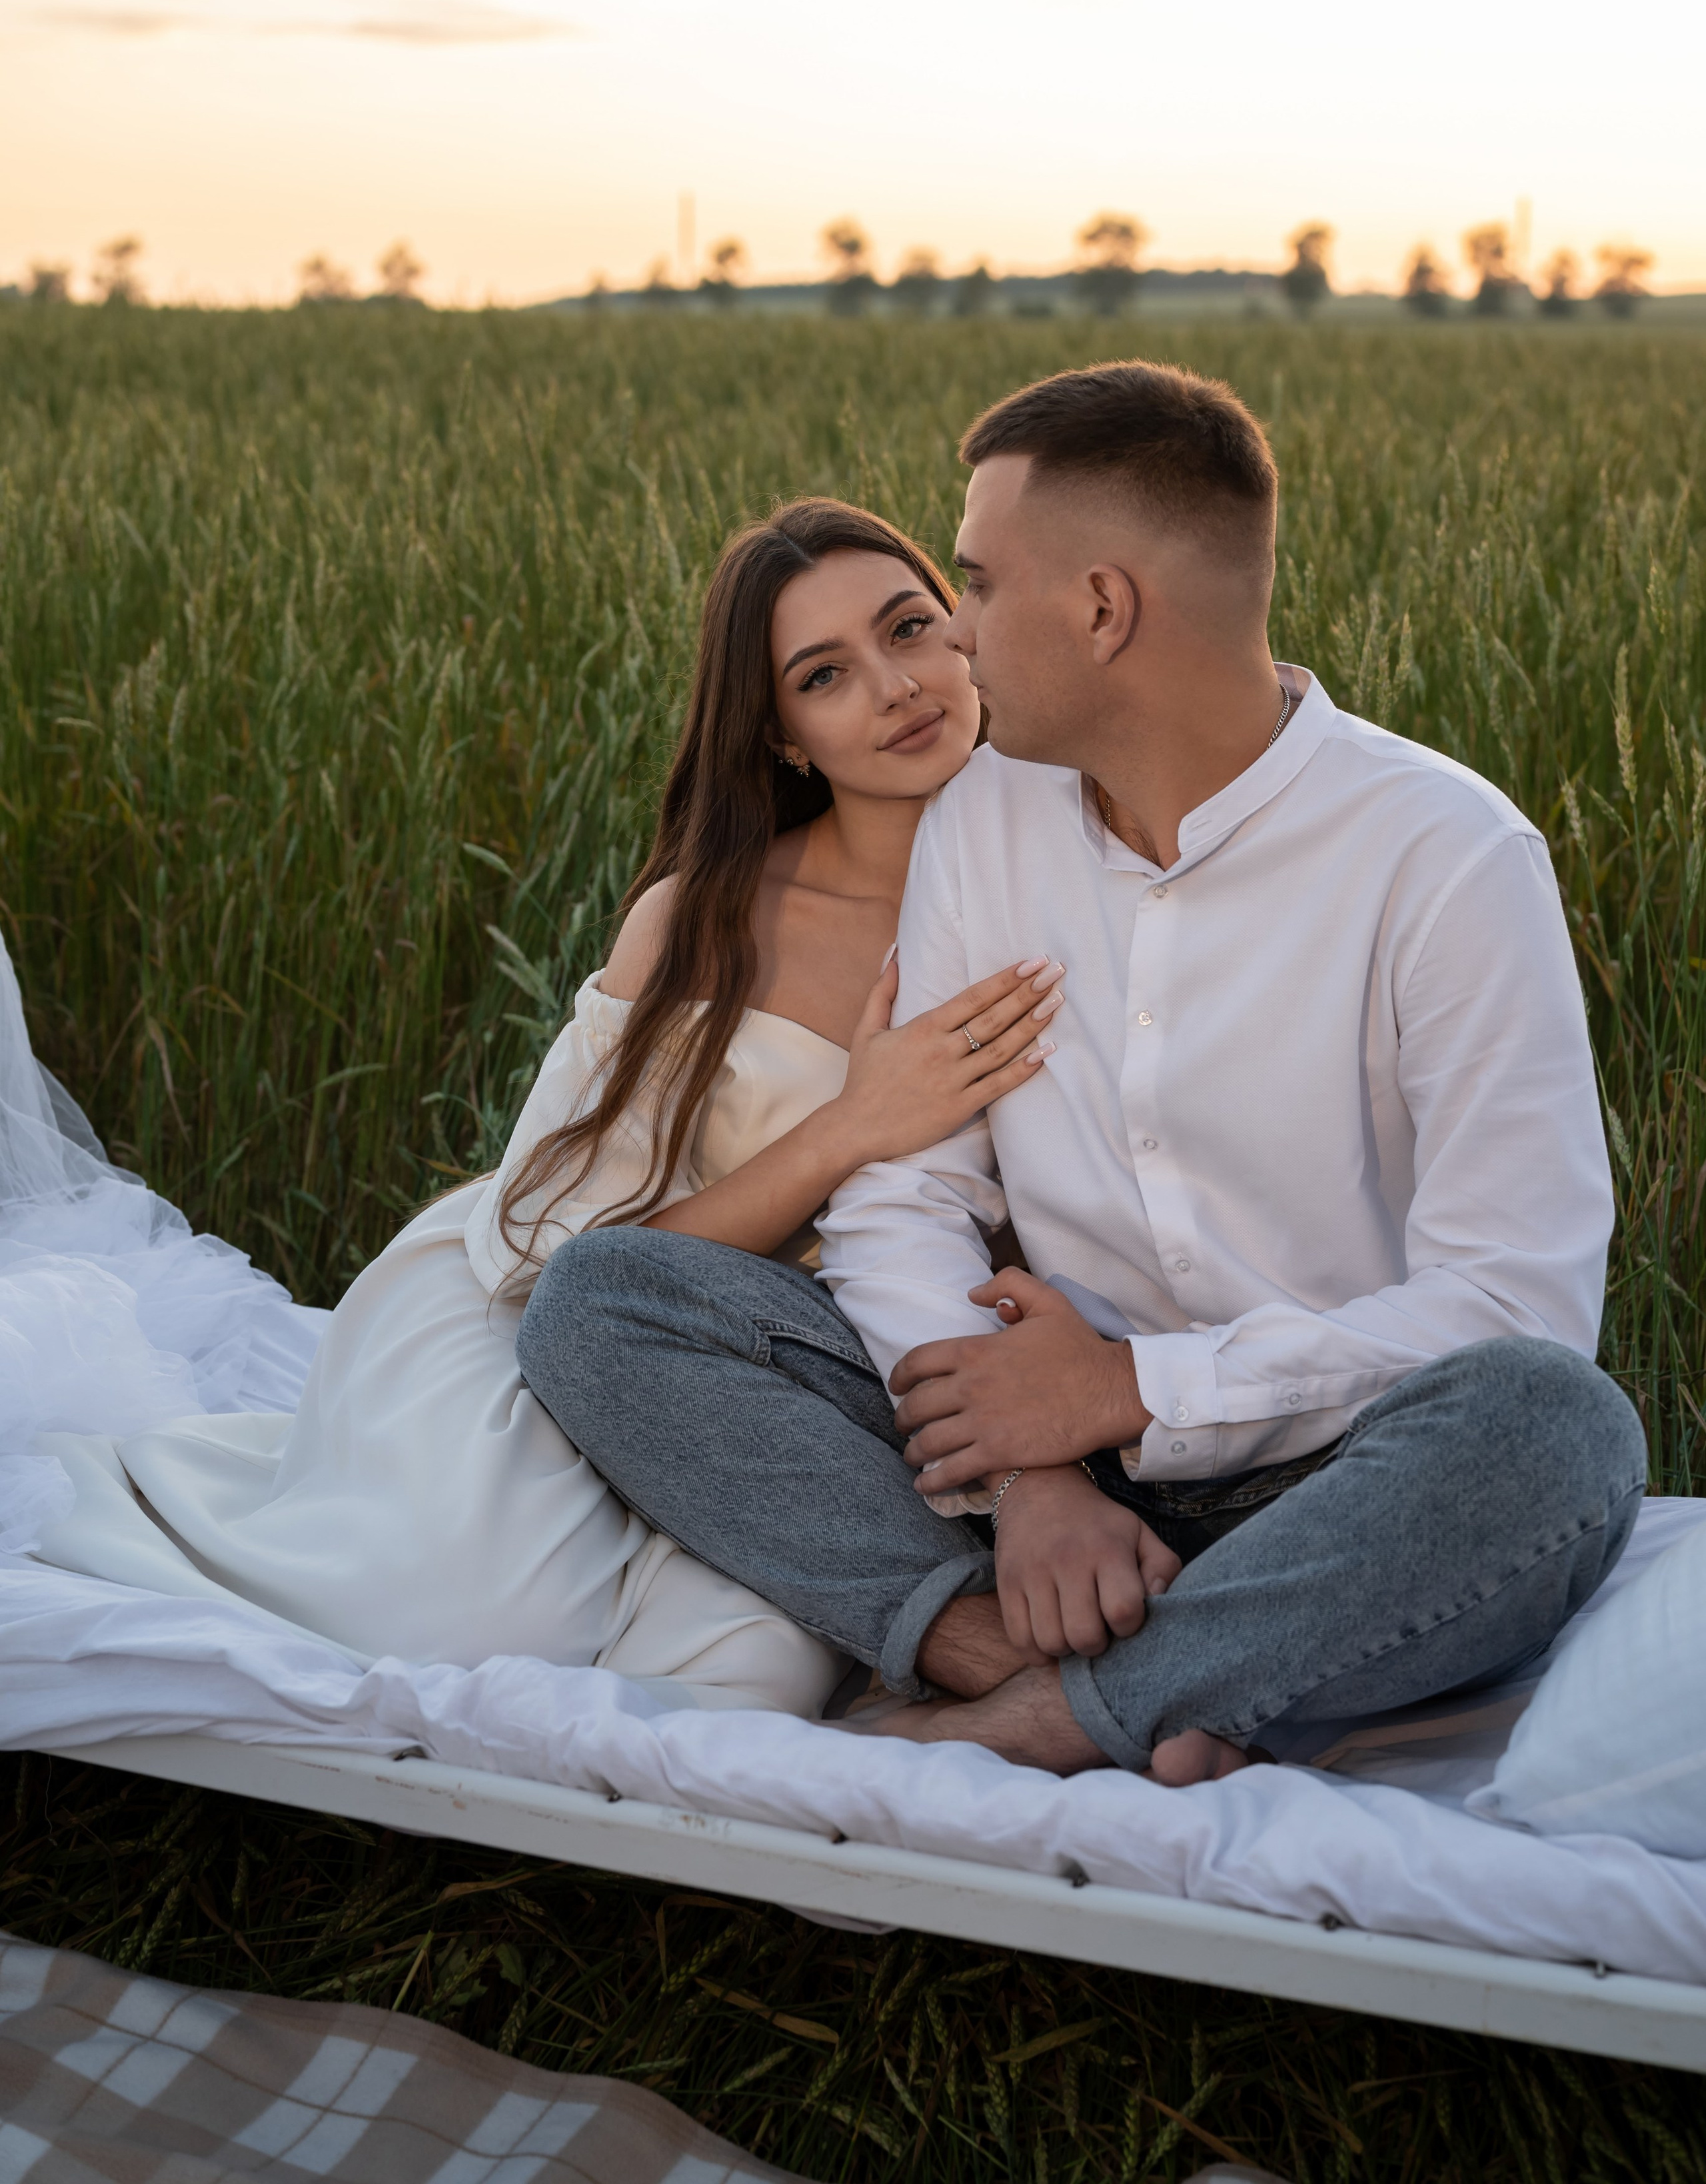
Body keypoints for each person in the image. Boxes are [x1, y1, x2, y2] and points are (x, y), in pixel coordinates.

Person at [516, 358, 1649, 1781]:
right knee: (608, 1301)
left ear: (1102, 610)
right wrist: (1031, 1470)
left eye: (976, 590)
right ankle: (995, 1646)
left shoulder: (1445, 860)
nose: (958, 643)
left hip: (1342, 1475)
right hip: (1033, 1472)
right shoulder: (984, 818)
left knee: (1553, 1430)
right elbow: (902, 1196)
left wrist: (1127, 1389)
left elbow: (1515, 1303)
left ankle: (1053, 1713)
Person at [27, 497, 1112, 1713]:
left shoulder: (1074, 869)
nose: (897, 686)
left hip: (820, 1364)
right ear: (786, 735)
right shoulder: (705, 918)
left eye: (909, 628)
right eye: (825, 674)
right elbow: (572, 1266)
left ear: (965, 630)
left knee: (760, 1651)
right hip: (545, 1313)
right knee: (493, 1615)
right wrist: (856, 1122)